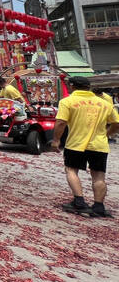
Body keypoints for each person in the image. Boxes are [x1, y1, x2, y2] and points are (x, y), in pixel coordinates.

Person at [52, 77, 119, 217]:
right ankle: (99, 206)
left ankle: (79, 202)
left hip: (76, 144)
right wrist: (107, 135)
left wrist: (56, 140)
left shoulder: (67, 101)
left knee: (71, 170)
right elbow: (116, 123)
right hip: (99, 145)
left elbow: (60, 123)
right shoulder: (105, 103)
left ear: (72, 86)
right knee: (99, 176)